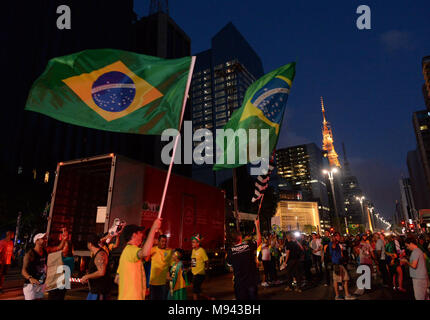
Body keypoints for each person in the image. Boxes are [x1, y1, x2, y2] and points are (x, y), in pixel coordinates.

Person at [115, 219, 161, 300]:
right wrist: (153, 229)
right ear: (134, 235)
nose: (142, 235)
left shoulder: (126, 252)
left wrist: (139, 289)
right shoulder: (131, 250)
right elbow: (145, 252)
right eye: (140, 232)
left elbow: (117, 279)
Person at [21, 229, 69, 300]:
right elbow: (23, 270)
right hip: (30, 284)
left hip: (42, 283)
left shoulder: (45, 250)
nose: (45, 240)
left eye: (45, 238)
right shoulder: (29, 254)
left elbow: (59, 248)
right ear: (37, 241)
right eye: (43, 238)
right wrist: (30, 278)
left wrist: (64, 239)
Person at [226, 219, 261, 300]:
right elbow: (259, 241)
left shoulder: (230, 252)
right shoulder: (248, 246)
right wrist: (257, 225)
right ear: (240, 237)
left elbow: (229, 265)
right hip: (251, 281)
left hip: (239, 284)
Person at [79, 234, 110, 300]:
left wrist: (87, 276)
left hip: (99, 292)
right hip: (94, 291)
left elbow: (101, 272)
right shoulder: (96, 254)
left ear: (90, 244)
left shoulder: (100, 254)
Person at [329, 232, 356, 300]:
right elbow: (333, 247)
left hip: (340, 263)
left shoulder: (338, 244)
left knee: (345, 279)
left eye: (339, 236)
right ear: (334, 237)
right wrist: (334, 241)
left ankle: (346, 295)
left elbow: (341, 254)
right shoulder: (332, 243)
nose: (339, 237)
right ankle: (338, 296)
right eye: (337, 236)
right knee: (337, 280)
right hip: (336, 263)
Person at [149, 234, 172, 300]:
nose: (164, 243)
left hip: (163, 282)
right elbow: (145, 257)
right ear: (158, 241)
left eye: (165, 241)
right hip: (153, 282)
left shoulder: (169, 251)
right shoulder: (153, 249)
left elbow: (171, 265)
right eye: (162, 241)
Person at [190, 233, 211, 300]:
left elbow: (207, 261)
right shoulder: (193, 250)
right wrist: (190, 269)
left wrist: (207, 272)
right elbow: (193, 262)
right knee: (197, 290)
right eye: (192, 242)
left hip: (200, 273)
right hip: (195, 274)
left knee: (194, 290)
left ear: (198, 243)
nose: (192, 244)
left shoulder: (201, 250)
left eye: (193, 242)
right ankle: (209, 298)